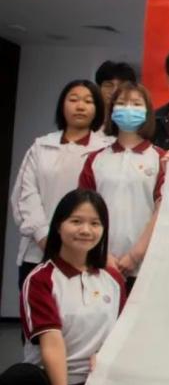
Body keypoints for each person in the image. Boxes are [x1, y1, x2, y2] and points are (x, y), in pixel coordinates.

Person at [0, 189, 125, 385]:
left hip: (92, 384)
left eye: (95, 223)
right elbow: (52, 345)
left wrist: (107, 355)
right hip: (51, 382)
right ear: (58, 226)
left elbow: (123, 332)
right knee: (16, 382)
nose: (86, 230)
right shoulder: (41, 279)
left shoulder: (113, 279)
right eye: (76, 221)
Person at [10, 80, 111, 290]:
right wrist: (46, 239)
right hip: (39, 252)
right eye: (73, 100)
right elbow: (25, 196)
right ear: (62, 106)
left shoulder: (106, 149)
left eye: (88, 101)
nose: (80, 106)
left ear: (98, 109)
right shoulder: (41, 146)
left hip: (89, 254)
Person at [78, 82, 165, 286]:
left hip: (145, 265)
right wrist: (102, 253)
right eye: (122, 103)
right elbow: (83, 209)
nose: (128, 109)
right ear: (112, 110)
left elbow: (163, 210)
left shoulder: (160, 158)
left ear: (147, 112)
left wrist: (136, 255)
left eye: (136, 104)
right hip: (99, 261)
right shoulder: (95, 159)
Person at [94, 60, 136, 129]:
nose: (114, 91)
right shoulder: (90, 121)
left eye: (121, 86)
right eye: (108, 85)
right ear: (98, 88)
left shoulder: (137, 122)